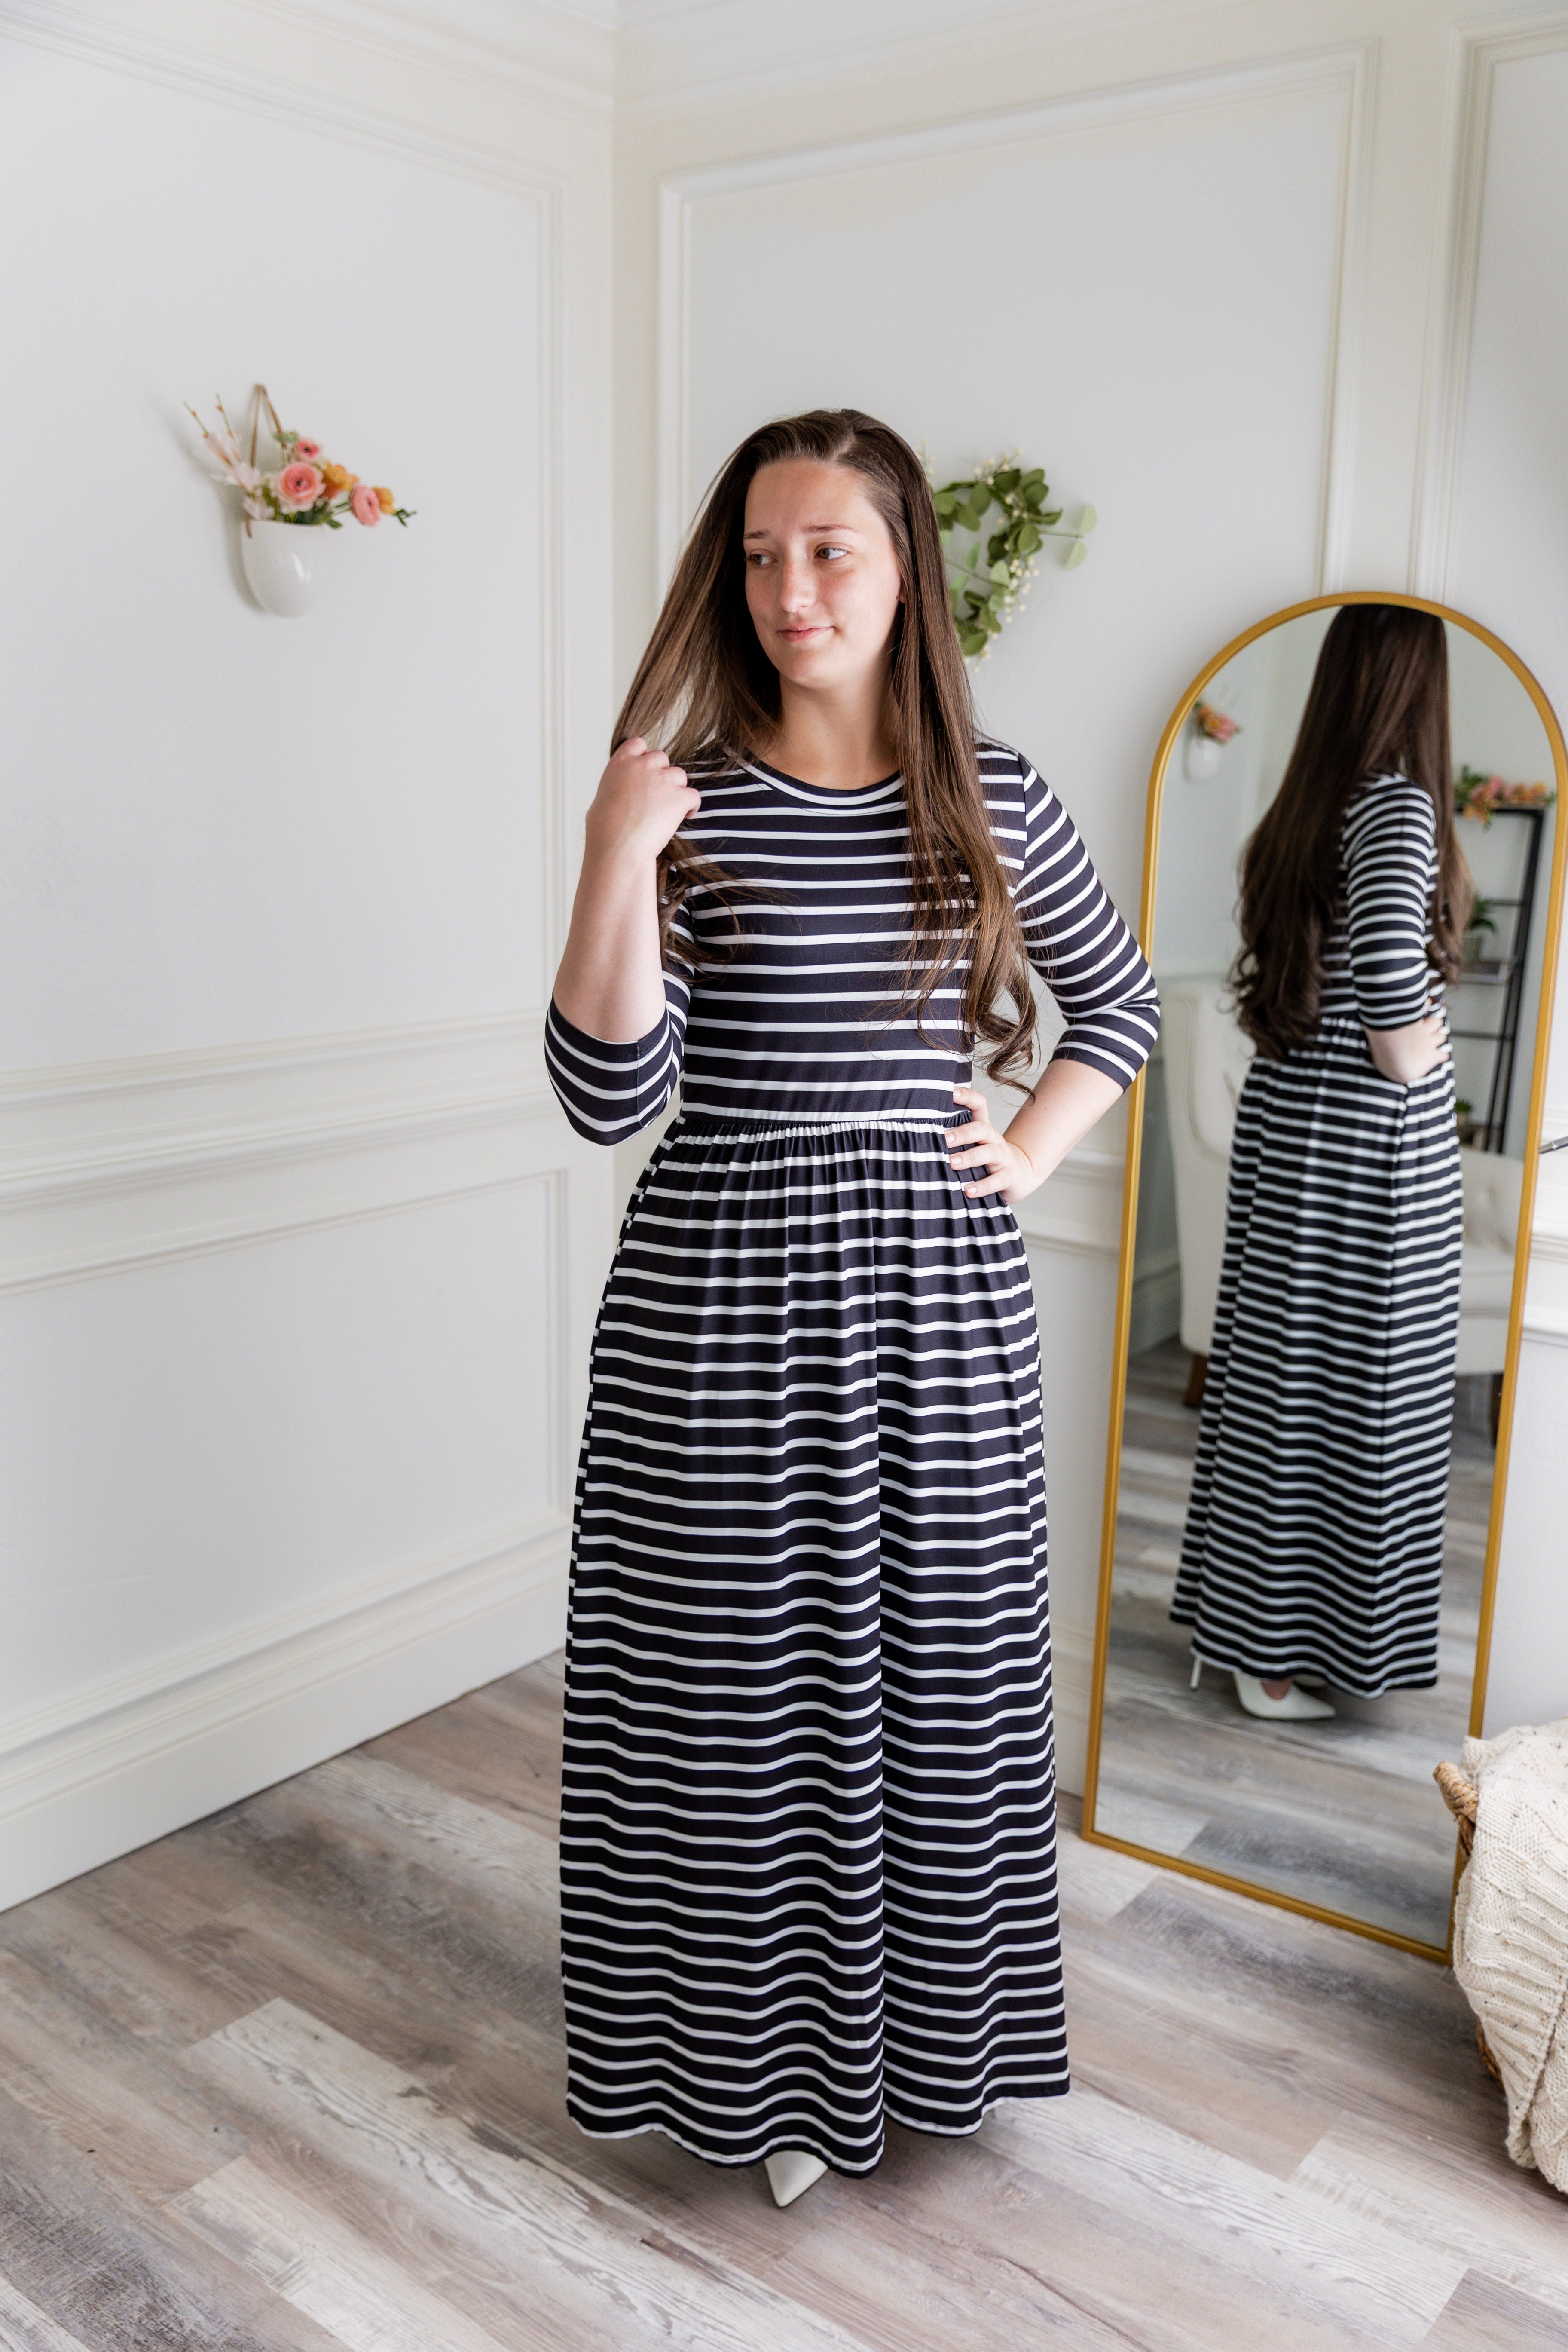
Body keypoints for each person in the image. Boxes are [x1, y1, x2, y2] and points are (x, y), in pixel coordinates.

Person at [546, 408, 1158, 2205]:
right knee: (730, 1692)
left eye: (830, 551)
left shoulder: (995, 794)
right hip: (718, 1299)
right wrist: (609, 840)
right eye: (759, 554)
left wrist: (1030, 1155)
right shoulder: (687, 797)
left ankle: (906, 2050)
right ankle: (755, 2075)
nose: (789, 589)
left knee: (937, 1673)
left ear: (907, 576)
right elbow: (602, 1099)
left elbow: (1112, 1012)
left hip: (937, 1305)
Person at [1172, 603, 1470, 1721]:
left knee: (1278, 1390)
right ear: (1418, 684)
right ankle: (1280, 1659)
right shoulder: (1396, 809)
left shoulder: (1308, 804)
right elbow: (1393, 1013)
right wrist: (1416, 1054)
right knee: (1356, 1398)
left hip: (1294, 1136)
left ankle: (1251, 1635)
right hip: (1363, 1159)